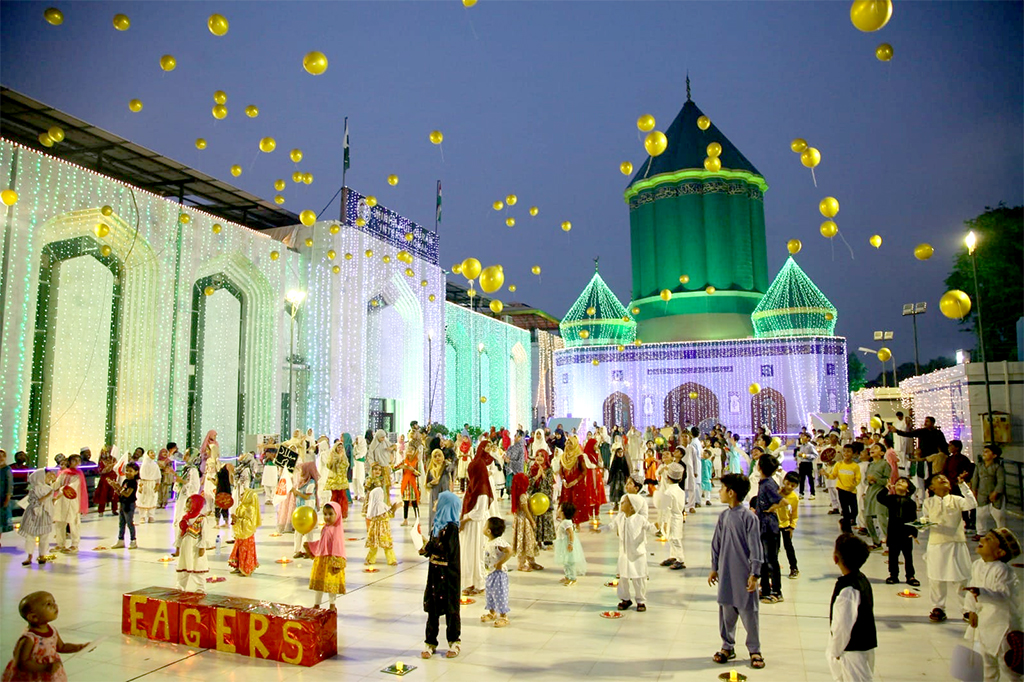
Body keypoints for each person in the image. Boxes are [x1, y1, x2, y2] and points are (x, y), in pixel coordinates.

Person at [709, 473, 765, 670]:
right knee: (726, 611)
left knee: (749, 612)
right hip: (725, 573)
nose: (719, 492)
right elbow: (716, 543)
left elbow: (756, 548)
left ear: (731, 493)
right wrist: (714, 567)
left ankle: (754, 649)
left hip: (743, 574)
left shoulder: (749, 518)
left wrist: (755, 573)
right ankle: (727, 645)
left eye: (722, 489)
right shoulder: (724, 516)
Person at [963, 528, 1022, 682]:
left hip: (1002, 625)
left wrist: (982, 592)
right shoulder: (977, 565)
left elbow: (1004, 595)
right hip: (985, 623)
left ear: (1000, 552)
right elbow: (971, 588)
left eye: (988, 540)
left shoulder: (1003, 570)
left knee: (1008, 666)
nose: (982, 540)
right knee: (987, 664)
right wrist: (970, 611)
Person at [922, 472, 977, 623]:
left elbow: (972, 504)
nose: (943, 480)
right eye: (939, 479)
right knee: (936, 577)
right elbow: (924, 518)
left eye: (945, 479)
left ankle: (966, 609)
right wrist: (920, 526)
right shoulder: (928, 502)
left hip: (956, 543)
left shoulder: (957, 500)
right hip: (936, 543)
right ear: (932, 487)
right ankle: (938, 607)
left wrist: (963, 485)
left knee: (961, 578)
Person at [3, 591, 88, 682]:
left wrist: (80, 647)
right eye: (48, 604)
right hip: (33, 677)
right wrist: (45, 667)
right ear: (34, 617)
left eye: (54, 602)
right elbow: (22, 663)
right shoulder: (29, 639)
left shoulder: (52, 630)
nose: (54, 605)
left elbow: (61, 647)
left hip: (49, 674)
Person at [828, 533, 877, 682]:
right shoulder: (862, 579)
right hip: (865, 645)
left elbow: (842, 626)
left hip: (851, 650)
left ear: (836, 558)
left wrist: (835, 650)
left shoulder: (848, 590)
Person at [420, 491, 462, 660]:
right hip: (435, 573)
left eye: (439, 500)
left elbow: (448, 551)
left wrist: (429, 547)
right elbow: (433, 549)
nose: (435, 502)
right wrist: (425, 550)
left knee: (451, 609)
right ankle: (430, 642)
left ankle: (454, 641)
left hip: (449, 575)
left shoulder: (451, 528)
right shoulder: (436, 526)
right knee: (433, 609)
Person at [460, 441, 493, 594]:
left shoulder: (482, 488)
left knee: (477, 554)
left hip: (477, 526)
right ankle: (469, 582)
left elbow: (479, 512)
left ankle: (479, 584)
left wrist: (465, 519)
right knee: (468, 554)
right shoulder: (473, 487)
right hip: (470, 526)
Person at [614, 492, 654, 612]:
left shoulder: (640, 519)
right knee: (623, 577)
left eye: (624, 502)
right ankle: (625, 598)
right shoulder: (621, 518)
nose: (621, 504)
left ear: (632, 506)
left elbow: (650, 528)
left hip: (637, 554)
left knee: (639, 577)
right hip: (624, 553)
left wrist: (658, 526)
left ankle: (641, 600)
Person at [877, 477, 920, 586]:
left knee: (908, 555)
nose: (899, 483)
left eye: (903, 482)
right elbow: (880, 497)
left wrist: (914, 532)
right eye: (897, 482)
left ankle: (910, 575)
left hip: (906, 532)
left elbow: (913, 518)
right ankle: (893, 575)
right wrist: (886, 488)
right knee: (893, 555)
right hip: (893, 531)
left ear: (908, 489)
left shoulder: (911, 503)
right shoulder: (891, 499)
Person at [304, 501, 347, 609]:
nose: (327, 517)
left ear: (337, 514)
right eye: (325, 514)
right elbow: (323, 543)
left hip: (332, 560)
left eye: (330, 514)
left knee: (331, 584)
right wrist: (311, 546)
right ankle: (316, 604)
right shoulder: (325, 528)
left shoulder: (337, 530)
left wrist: (337, 561)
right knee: (320, 584)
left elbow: (338, 545)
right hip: (322, 560)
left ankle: (332, 604)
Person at [755, 455, 784, 604]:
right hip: (762, 525)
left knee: (771, 559)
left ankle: (777, 591)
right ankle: (765, 588)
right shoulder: (765, 482)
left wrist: (771, 509)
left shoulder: (768, 484)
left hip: (769, 527)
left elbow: (780, 500)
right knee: (763, 560)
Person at [18, 469, 56, 567]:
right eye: (47, 476)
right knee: (30, 536)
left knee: (44, 536)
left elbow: (50, 502)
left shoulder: (48, 489)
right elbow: (34, 502)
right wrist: (47, 496)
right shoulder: (34, 490)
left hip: (44, 514)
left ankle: (42, 555)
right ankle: (29, 556)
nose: (49, 478)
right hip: (33, 514)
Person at [480, 517, 512, 627]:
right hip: (490, 573)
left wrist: (500, 563)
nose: (483, 528)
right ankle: (492, 612)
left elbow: (509, 551)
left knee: (500, 594)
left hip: (498, 574)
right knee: (490, 593)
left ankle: (503, 616)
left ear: (489, 531)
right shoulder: (490, 541)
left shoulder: (498, 542)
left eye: (485, 526)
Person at [51, 454, 86, 553]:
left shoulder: (78, 475)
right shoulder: (64, 473)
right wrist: (52, 480)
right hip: (61, 501)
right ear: (69, 462)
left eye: (78, 461)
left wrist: (60, 491)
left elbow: (71, 488)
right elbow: (56, 485)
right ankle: (60, 544)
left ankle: (74, 545)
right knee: (59, 522)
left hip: (72, 501)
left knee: (73, 522)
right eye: (74, 461)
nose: (77, 463)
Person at [175, 494, 209, 593]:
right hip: (185, 546)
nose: (189, 504)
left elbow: (204, 534)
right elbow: (180, 533)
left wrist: (202, 547)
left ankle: (200, 587)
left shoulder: (201, 519)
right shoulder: (185, 517)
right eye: (188, 502)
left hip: (195, 547)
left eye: (192, 502)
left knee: (197, 565)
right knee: (184, 564)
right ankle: (180, 585)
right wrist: (178, 547)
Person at [972, 445, 1006, 539]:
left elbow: (1001, 481)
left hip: (995, 494)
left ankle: (1001, 532)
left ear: (994, 455)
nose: (984, 453)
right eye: (984, 451)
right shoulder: (979, 466)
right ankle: (981, 532)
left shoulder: (998, 467)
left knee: (999, 515)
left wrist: (996, 492)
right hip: (982, 493)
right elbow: (975, 479)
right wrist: (974, 490)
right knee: (980, 515)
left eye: (987, 452)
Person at [510, 473, 542, 571]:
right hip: (524, 520)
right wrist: (532, 521)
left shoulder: (517, 493)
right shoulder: (522, 495)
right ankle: (521, 564)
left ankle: (531, 561)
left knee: (528, 541)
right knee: (525, 541)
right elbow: (525, 510)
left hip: (519, 519)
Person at [828, 444, 862, 533]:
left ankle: (844, 521)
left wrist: (855, 484)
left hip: (852, 491)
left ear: (853, 454)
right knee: (845, 511)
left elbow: (858, 478)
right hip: (841, 490)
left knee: (855, 511)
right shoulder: (838, 464)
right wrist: (826, 474)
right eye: (845, 451)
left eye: (849, 451)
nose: (846, 453)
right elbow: (833, 476)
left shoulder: (855, 466)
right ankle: (847, 530)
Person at [863, 443, 892, 549]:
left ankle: (889, 544)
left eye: (876, 448)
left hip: (880, 493)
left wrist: (876, 480)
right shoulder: (870, 465)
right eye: (872, 448)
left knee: (881, 518)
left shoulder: (885, 464)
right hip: (870, 492)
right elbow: (866, 480)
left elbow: (887, 481)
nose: (872, 449)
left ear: (882, 453)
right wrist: (869, 481)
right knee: (867, 518)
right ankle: (876, 541)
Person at [660, 462, 687, 571]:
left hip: (672, 517)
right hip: (679, 515)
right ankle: (673, 556)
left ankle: (680, 559)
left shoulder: (668, 492)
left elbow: (667, 509)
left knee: (675, 538)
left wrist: (665, 522)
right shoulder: (680, 490)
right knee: (671, 537)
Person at [228, 488, 260, 577]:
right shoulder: (242, 506)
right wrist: (235, 519)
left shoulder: (251, 508)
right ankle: (238, 567)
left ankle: (245, 568)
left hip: (247, 534)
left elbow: (250, 522)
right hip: (241, 532)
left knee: (245, 551)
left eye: (243, 494)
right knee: (238, 550)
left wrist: (238, 520)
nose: (241, 496)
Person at [528, 449, 556, 549]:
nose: (539, 458)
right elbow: (527, 483)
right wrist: (536, 477)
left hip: (545, 498)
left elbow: (550, 484)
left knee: (546, 518)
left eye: (542, 456)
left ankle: (548, 542)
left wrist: (543, 476)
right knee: (536, 519)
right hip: (534, 498)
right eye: (537, 455)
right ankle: (537, 541)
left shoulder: (549, 469)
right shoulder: (531, 469)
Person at [364, 486, 399, 566]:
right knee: (386, 545)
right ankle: (391, 560)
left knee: (374, 545)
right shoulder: (381, 505)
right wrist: (394, 509)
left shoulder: (372, 506)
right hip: (383, 529)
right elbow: (387, 515)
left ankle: (370, 559)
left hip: (375, 529)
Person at [554, 502, 587, 585]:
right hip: (563, 543)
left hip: (566, 544)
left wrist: (570, 543)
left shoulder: (566, 523)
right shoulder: (564, 521)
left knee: (569, 562)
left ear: (563, 512)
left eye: (559, 509)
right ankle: (567, 576)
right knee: (565, 561)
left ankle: (572, 577)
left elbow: (571, 533)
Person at [291, 462, 318, 558]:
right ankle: (297, 550)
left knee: (308, 530)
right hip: (300, 508)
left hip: (308, 508)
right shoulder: (301, 482)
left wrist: (297, 492)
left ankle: (308, 549)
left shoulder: (311, 483)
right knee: (298, 529)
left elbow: (307, 496)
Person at [112, 462, 139, 549]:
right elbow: (122, 493)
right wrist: (115, 487)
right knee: (121, 523)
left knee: (129, 522)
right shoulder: (125, 481)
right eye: (126, 470)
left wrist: (119, 488)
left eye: (130, 471)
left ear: (136, 472)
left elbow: (127, 494)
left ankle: (133, 540)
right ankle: (120, 540)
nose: (127, 473)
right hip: (123, 503)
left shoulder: (133, 483)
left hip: (129, 505)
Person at [778, 472, 800, 579]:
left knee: (788, 547)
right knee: (774, 548)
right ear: (784, 481)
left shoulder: (794, 498)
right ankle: (772, 567)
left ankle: (794, 568)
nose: (790, 487)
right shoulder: (777, 492)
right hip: (774, 524)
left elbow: (794, 513)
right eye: (788, 483)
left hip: (786, 525)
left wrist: (792, 526)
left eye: (793, 485)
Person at [424, 448, 454, 529]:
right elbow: (426, 485)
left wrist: (447, 463)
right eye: (435, 456)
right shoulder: (431, 471)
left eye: (439, 456)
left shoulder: (446, 468)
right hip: (435, 495)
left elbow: (451, 468)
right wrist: (431, 483)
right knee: (435, 514)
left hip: (445, 494)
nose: (437, 458)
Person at [323, 441, 350, 519]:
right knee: (334, 496)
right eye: (338, 447)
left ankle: (343, 512)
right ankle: (333, 512)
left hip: (342, 478)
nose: (340, 449)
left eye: (341, 447)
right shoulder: (332, 455)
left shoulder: (344, 456)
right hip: (334, 478)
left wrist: (342, 458)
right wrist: (338, 458)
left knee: (343, 495)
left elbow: (346, 465)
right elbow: (328, 465)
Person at [399, 445, 422, 527]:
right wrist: (401, 467)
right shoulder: (404, 461)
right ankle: (405, 519)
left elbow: (419, 473)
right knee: (405, 502)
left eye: (411, 451)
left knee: (414, 502)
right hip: (406, 484)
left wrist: (413, 470)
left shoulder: (416, 462)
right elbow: (396, 468)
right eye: (408, 451)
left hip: (413, 484)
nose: (409, 453)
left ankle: (417, 519)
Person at [92, 450, 119, 517]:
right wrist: (110, 466)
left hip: (113, 479)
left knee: (114, 494)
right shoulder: (102, 462)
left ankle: (114, 509)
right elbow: (102, 471)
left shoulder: (114, 460)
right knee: (103, 495)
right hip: (105, 480)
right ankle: (101, 511)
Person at [137, 450, 161, 524]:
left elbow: (158, 476)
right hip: (144, 484)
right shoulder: (143, 465)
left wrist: (157, 484)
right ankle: (142, 516)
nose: (153, 454)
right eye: (151, 453)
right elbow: (140, 477)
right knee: (143, 499)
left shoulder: (155, 465)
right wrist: (140, 486)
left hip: (152, 484)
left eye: (153, 452)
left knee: (152, 499)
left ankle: (151, 516)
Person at [607, 445, 630, 511]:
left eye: (621, 452)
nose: (620, 454)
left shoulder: (624, 460)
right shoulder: (615, 461)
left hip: (622, 478)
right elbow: (612, 471)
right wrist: (610, 479)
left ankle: (623, 504)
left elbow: (626, 469)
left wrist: (628, 477)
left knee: (623, 490)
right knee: (615, 490)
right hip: (616, 478)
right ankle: (616, 504)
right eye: (619, 452)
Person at [795, 433, 818, 499]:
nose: (802, 438)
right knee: (801, 479)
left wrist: (806, 456)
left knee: (810, 479)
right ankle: (801, 493)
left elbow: (815, 455)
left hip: (808, 463)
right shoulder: (802, 445)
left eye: (804, 436)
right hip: (802, 463)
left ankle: (812, 493)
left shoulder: (810, 446)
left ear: (808, 438)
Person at [351, 435, 367, 501]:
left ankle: (362, 495)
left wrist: (356, 457)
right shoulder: (355, 447)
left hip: (360, 464)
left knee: (360, 480)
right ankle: (355, 494)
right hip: (355, 464)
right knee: (354, 479)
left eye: (357, 439)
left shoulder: (364, 448)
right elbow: (353, 453)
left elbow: (362, 455)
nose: (356, 441)